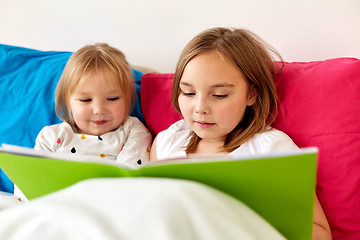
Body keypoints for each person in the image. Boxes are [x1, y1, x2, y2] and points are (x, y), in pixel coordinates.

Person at [150, 27, 332, 239]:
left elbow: (319, 233)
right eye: (188, 92)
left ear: (251, 94)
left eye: (219, 95)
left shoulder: (271, 150)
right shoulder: (166, 142)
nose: (200, 107)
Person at [34, 43, 152, 167]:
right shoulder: (50, 136)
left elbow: (130, 177)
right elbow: (29, 179)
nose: (99, 110)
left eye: (112, 99)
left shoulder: (133, 131)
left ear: (127, 99)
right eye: (85, 100)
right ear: (68, 102)